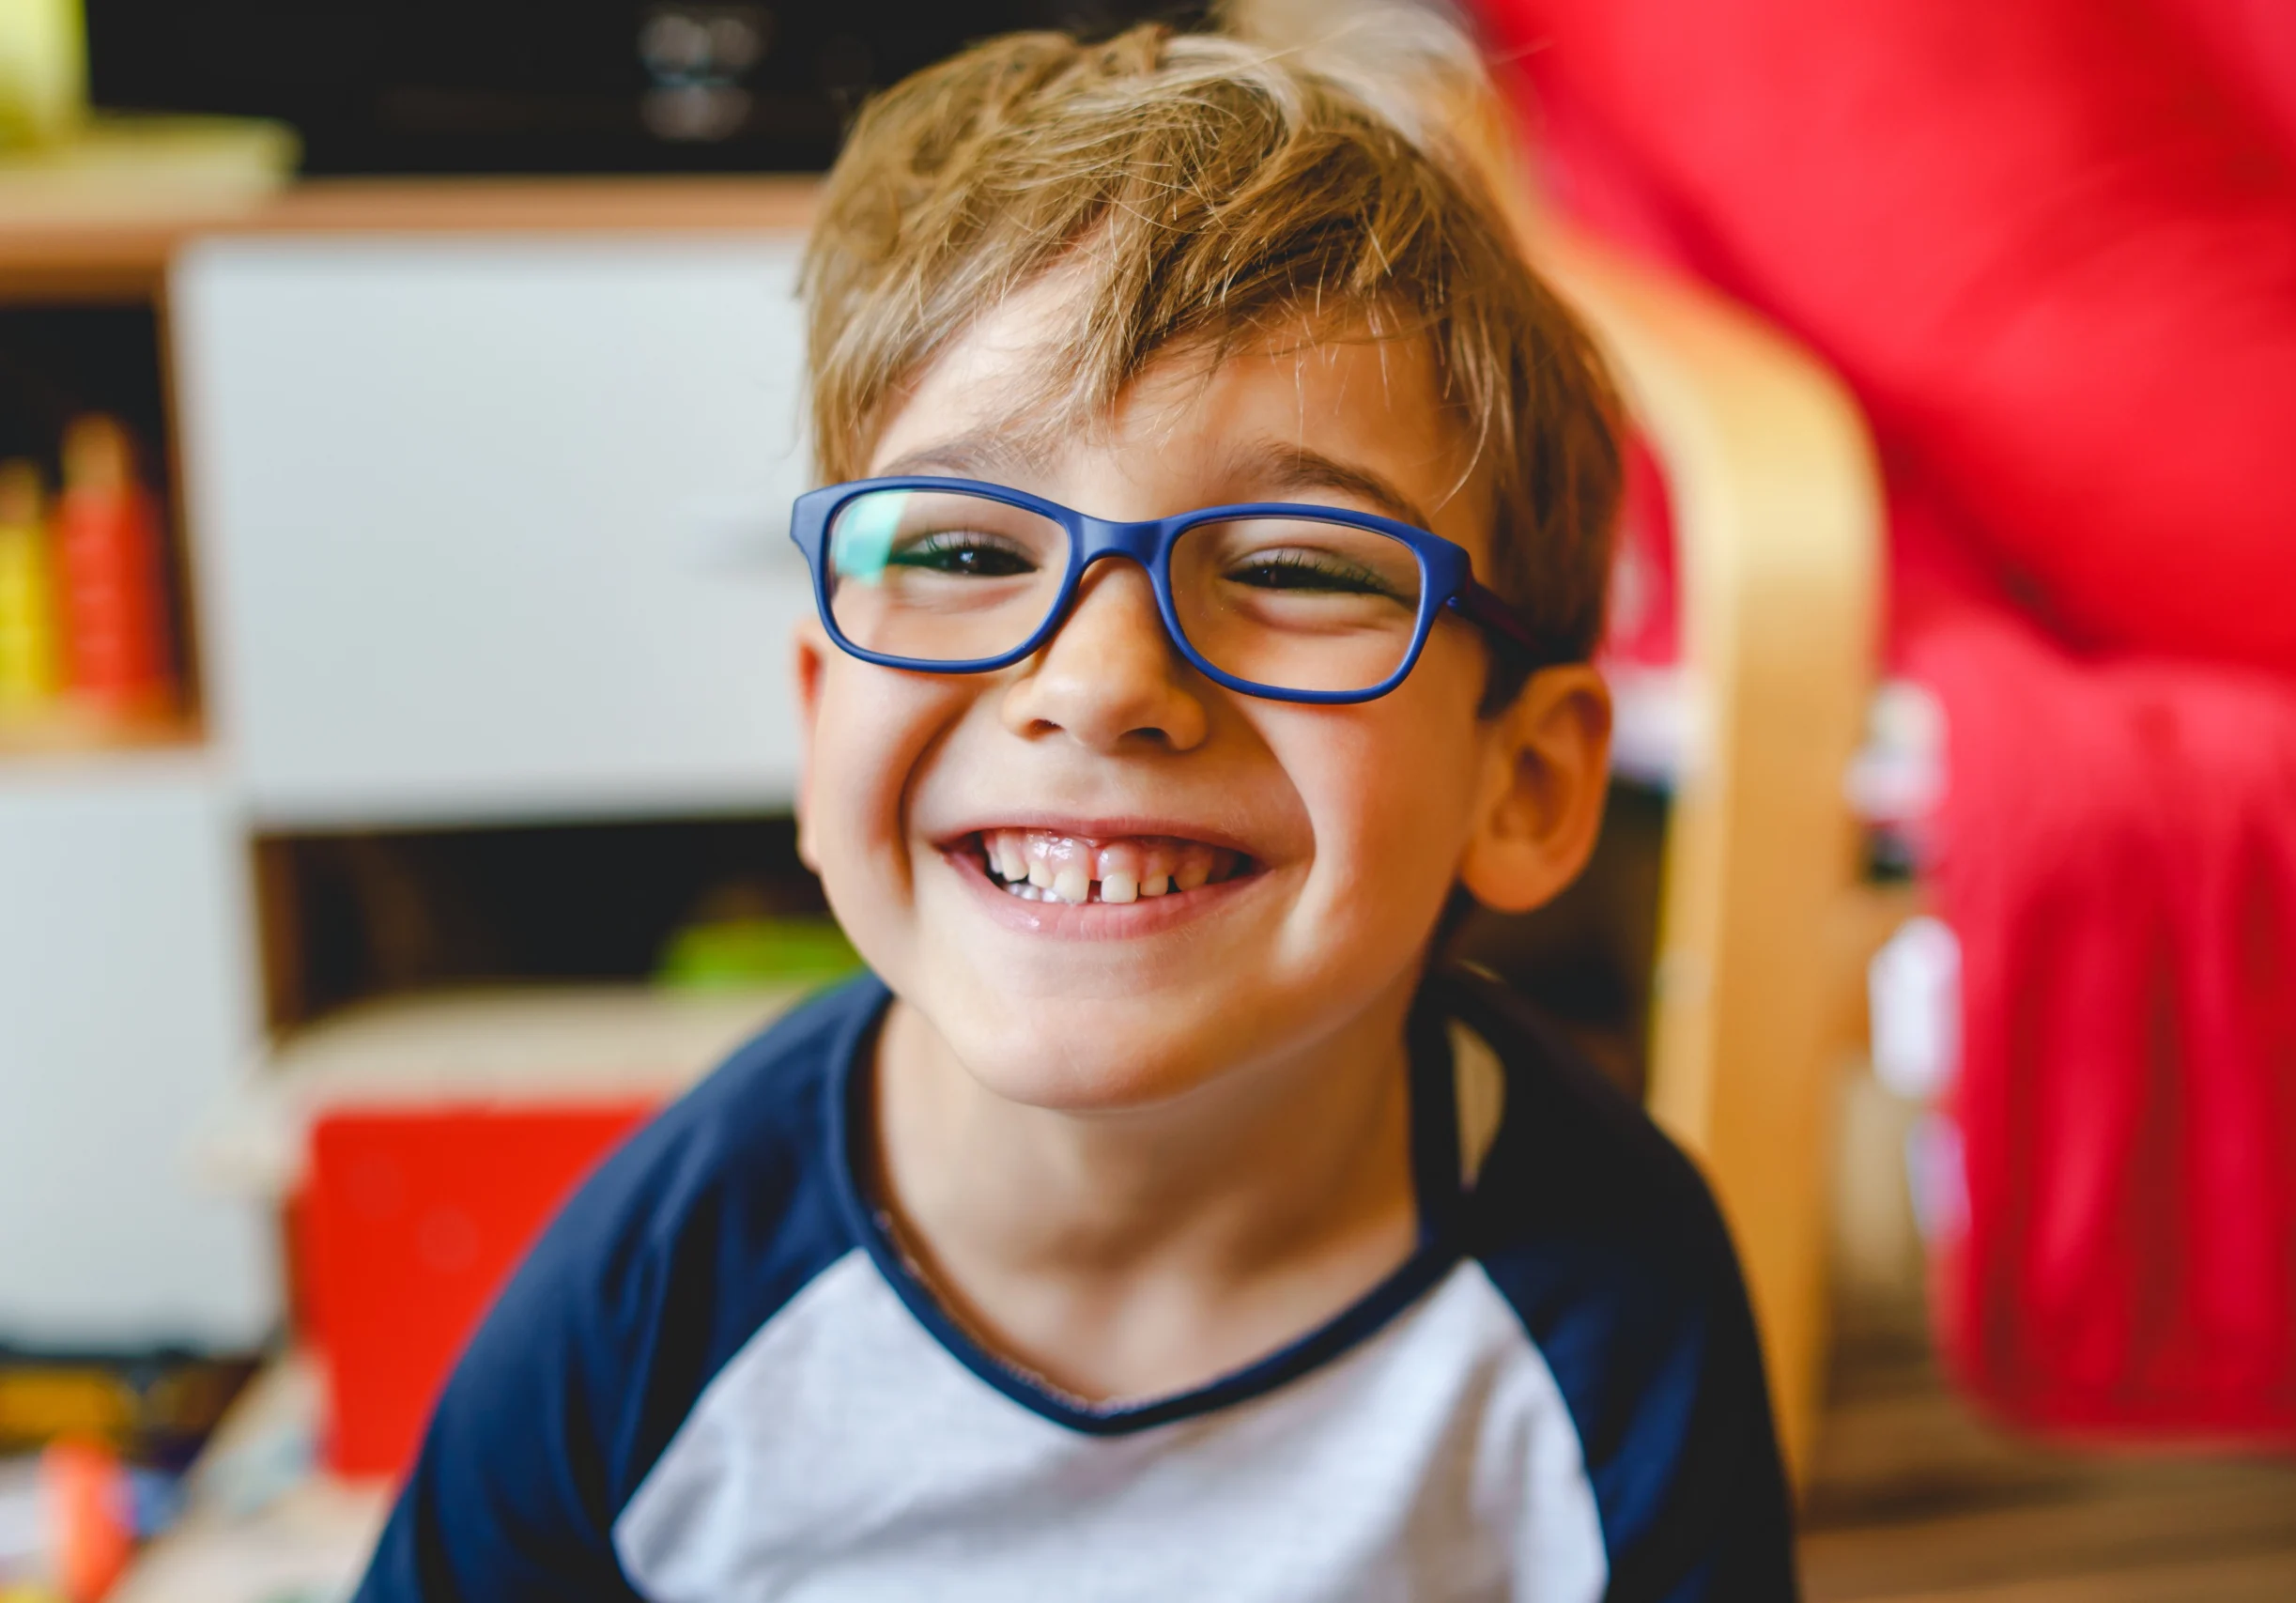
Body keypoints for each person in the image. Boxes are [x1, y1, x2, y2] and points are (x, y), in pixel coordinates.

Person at [354, 21, 1794, 1601]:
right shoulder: (654, 1299)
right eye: (967, 553)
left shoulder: (1619, 1303)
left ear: (1522, 782)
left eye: (1299, 566)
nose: (1100, 680)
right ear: (822, 712)